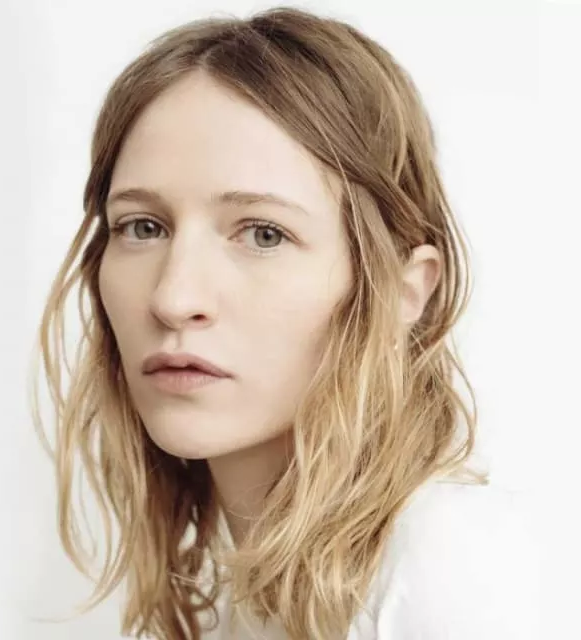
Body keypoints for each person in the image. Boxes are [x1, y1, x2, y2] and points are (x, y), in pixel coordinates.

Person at [33, 7, 538, 639]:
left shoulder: (452, 573)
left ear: (402, 291)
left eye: (264, 234)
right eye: (143, 227)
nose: (173, 297)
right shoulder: (248, 609)